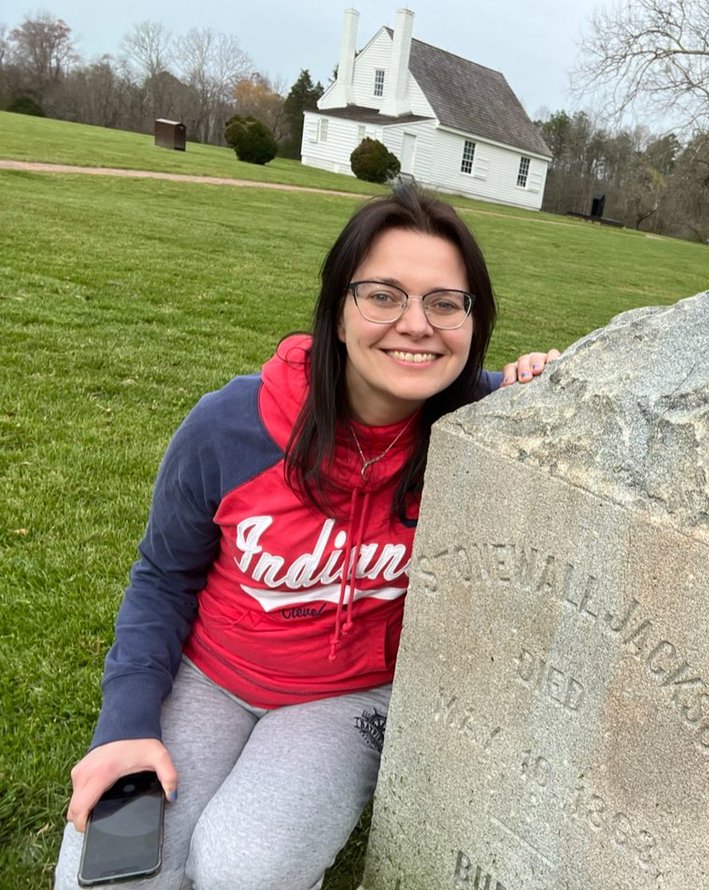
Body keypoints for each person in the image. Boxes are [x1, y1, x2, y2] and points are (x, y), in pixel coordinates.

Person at [54, 188, 557, 889]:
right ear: (337, 312)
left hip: (348, 697)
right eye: (383, 295)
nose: (416, 325)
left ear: (474, 321)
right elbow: (162, 577)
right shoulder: (230, 427)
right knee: (111, 877)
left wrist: (532, 383)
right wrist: (127, 725)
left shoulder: (480, 436)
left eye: (446, 302)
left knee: (243, 867)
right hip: (210, 675)